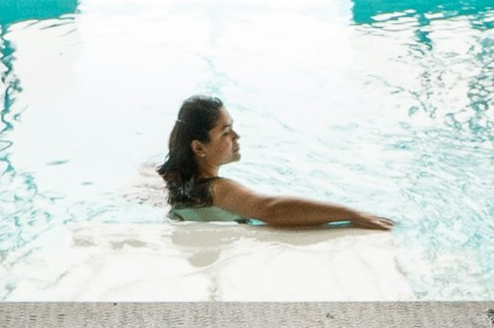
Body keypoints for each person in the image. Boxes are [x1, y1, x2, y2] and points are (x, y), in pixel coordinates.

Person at [157, 94, 395, 231]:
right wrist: (349, 213)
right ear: (198, 147)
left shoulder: (163, 175)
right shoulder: (217, 188)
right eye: (226, 132)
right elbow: (270, 209)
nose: (236, 136)